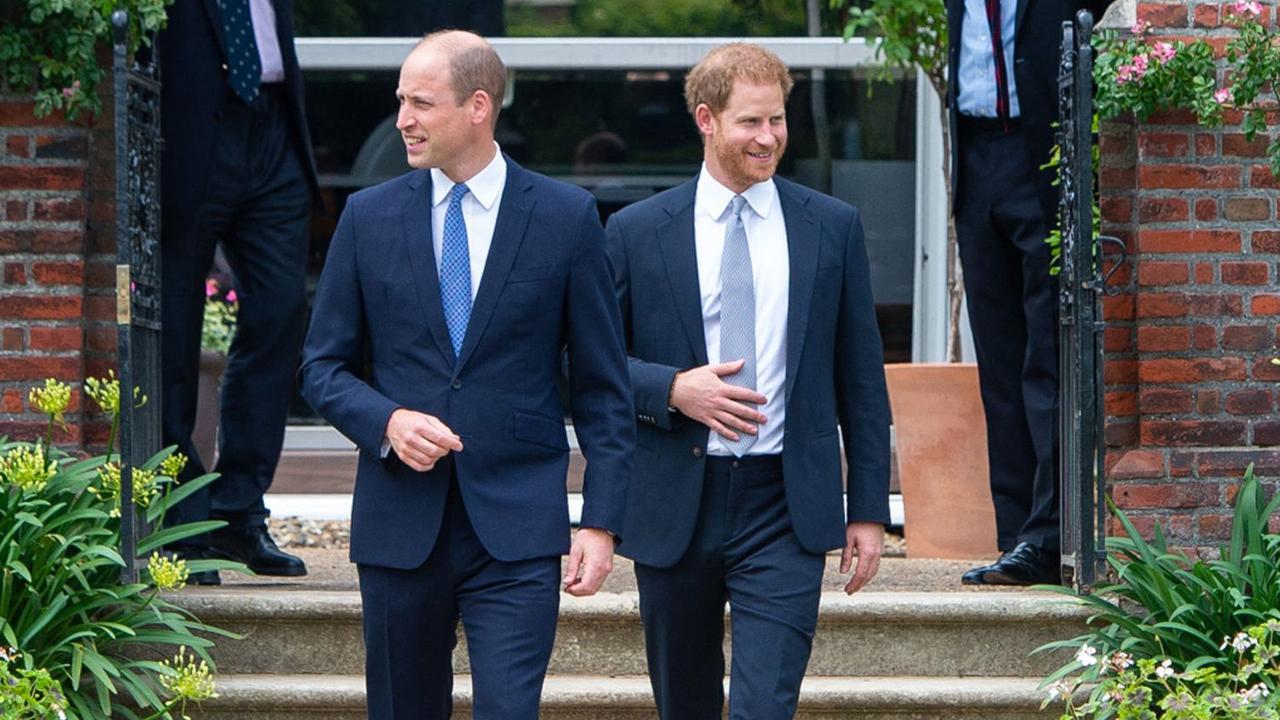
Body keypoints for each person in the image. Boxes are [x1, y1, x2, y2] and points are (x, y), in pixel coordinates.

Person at [298, 31, 634, 720]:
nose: (402, 120)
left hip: (517, 530)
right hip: (399, 527)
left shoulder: (566, 218)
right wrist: (385, 421)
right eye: (401, 101)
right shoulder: (367, 217)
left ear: (478, 106)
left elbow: (604, 388)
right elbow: (320, 368)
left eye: (421, 103)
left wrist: (601, 522)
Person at [604, 43, 890, 720]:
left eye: (779, 121)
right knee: (686, 706)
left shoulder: (831, 227)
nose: (770, 138)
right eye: (751, 123)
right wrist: (673, 389)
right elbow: (585, 366)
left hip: (784, 505)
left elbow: (861, 376)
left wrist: (869, 508)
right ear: (707, 119)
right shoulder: (636, 232)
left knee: (766, 706)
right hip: (677, 498)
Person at [947, 0, 1114, 586]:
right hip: (975, 165)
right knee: (998, 365)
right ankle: (1014, 536)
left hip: (1042, 159)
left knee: (1047, 356)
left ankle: (1047, 538)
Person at [159, 0, 318, 584]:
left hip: (273, 130)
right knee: (174, 332)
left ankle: (239, 509)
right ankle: (181, 518)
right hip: (194, 135)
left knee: (280, 312)